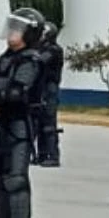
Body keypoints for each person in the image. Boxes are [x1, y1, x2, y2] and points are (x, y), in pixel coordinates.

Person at [0, 8, 44, 218]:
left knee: (16, 176)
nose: (12, 32)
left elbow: (17, 91)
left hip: (20, 124)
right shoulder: (6, 57)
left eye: (18, 28)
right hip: (3, 121)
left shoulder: (31, 60)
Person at [35, 22, 64, 167]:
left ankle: (53, 155)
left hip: (50, 88)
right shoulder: (39, 48)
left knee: (49, 123)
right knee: (39, 123)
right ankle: (41, 154)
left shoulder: (54, 49)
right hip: (40, 87)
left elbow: (40, 60)